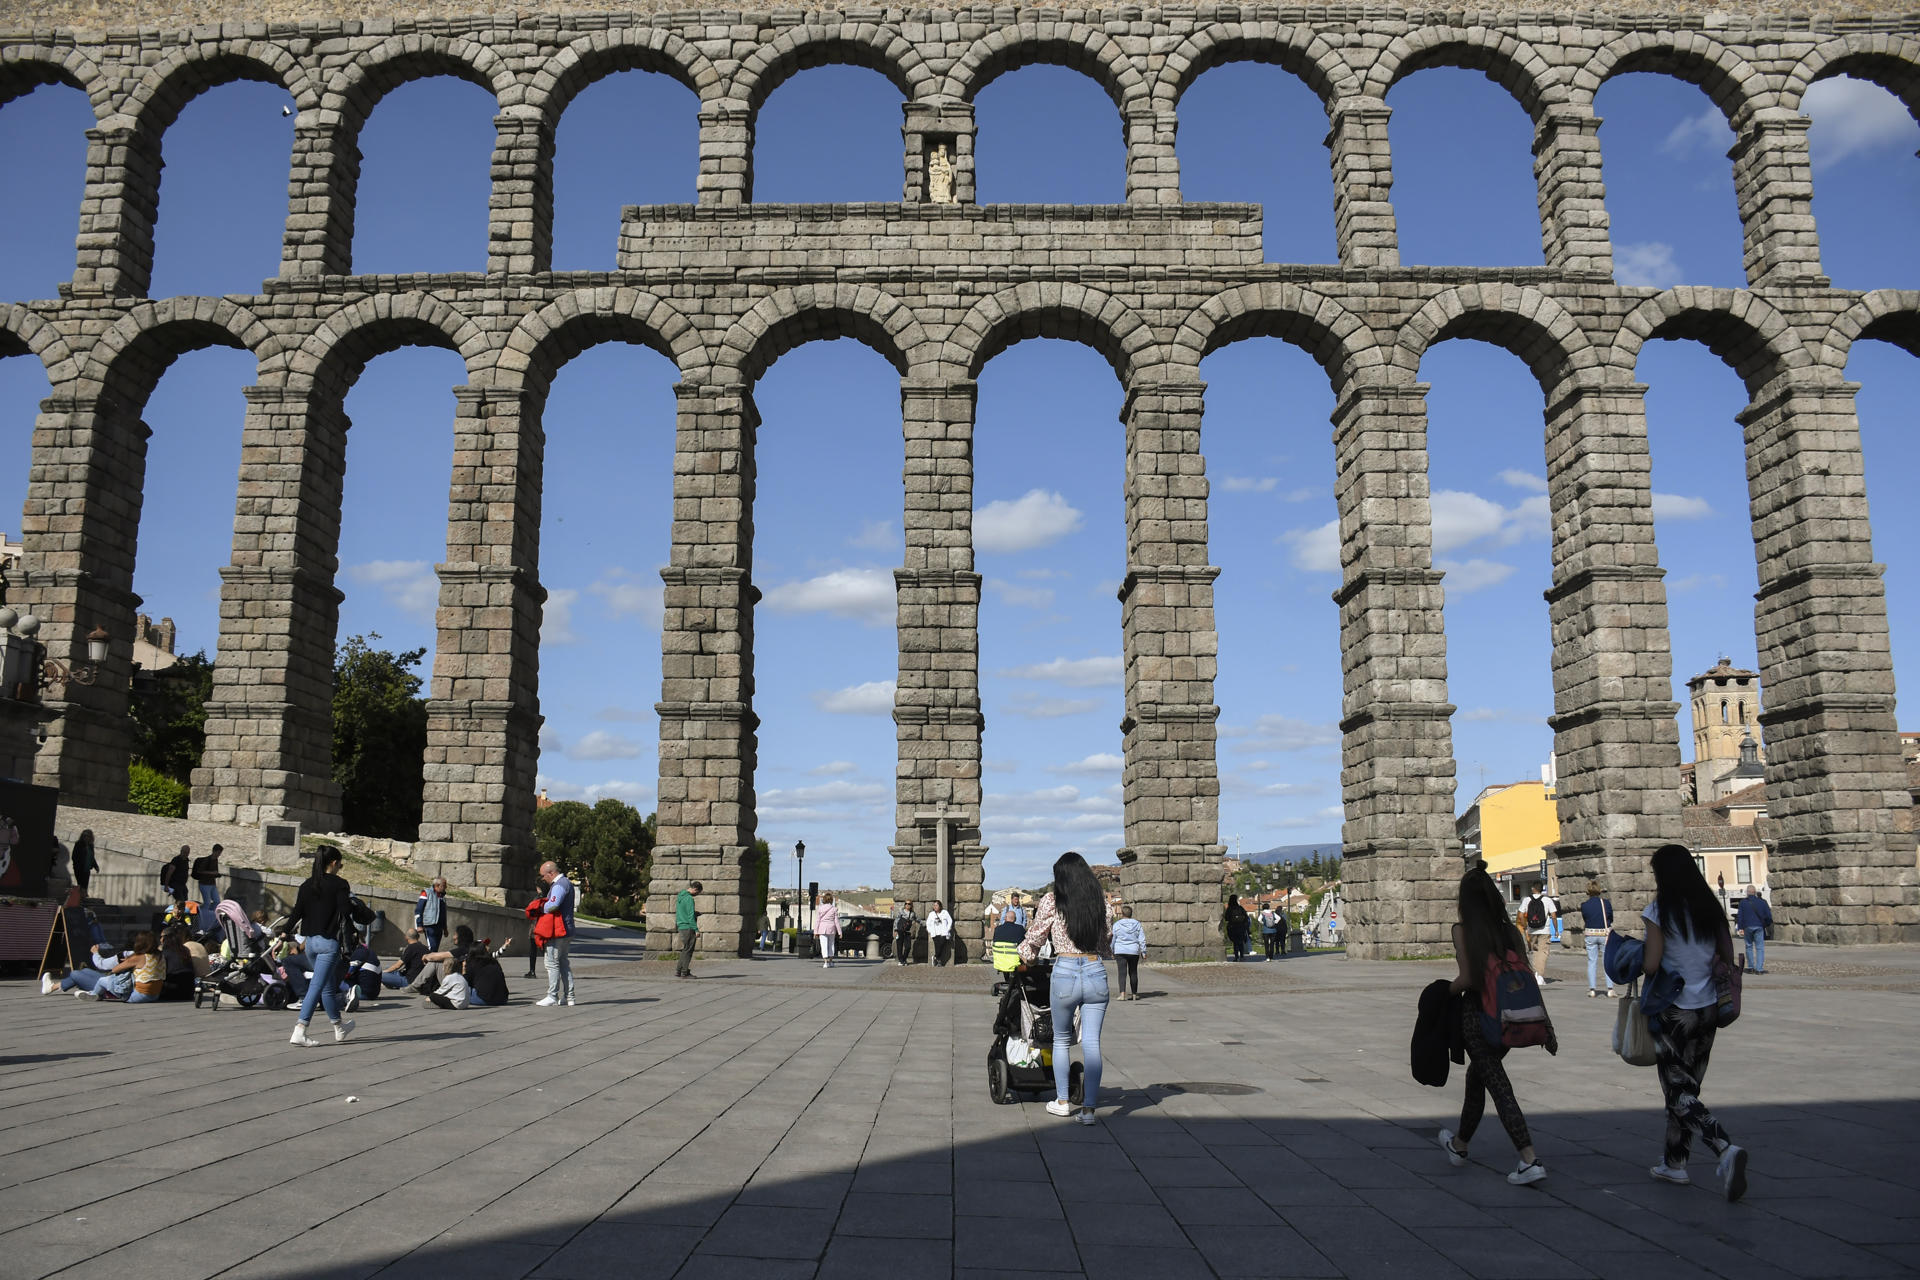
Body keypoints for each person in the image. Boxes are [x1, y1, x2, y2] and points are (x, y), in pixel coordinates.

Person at [1643, 843, 1748, 1201]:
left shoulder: (1658, 910)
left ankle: (1724, 1147)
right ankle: (1675, 1163)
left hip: (1674, 1011)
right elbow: (1726, 955)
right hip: (1709, 1010)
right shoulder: (1710, 908)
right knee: (1688, 1088)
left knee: (1677, 1090)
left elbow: (1652, 964)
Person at [1438, 866, 1555, 1186]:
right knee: (1478, 1078)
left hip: (1478, 1017)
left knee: (1498, 1085)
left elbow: (1468, 978)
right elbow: (1526, 975)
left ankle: (1529, 1158)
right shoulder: (1509, 931)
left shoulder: (1462, 930)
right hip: (1509, 1016)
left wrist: (1440, 993)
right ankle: (1459, 1145)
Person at [1019, 852, 1112, 1125]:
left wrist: (1027, 954)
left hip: (1066, 971)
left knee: (1061, 1040)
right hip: (1095, 971)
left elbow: (1035, 935)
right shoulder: (1100, 903)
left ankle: (1062, 1102)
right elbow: (1107, 940)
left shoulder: (1052, 901)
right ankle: (1089, 1111)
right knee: (1092, 1042)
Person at [281, 847, 356, 1046]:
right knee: (317, 986)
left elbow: (296, 912)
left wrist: (283, 932)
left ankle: (339, 1027)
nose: (341, 867)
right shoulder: (340, 885)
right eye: (340, 864)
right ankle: (300, 1028)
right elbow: (346, 911)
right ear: (333, 863)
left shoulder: (307, 885)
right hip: (328, 944)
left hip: (311, 944)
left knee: (327, 986)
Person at [44, 931, 163, 1002]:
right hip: (153, 994)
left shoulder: (134, 956)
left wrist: (96, 953)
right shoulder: (160, 956)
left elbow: (110, 968)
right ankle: (52, 987)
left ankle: (94, 994)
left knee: (76, 974)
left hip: (130, 992)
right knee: (84, 971)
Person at [535, 860, 577, 1007]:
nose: (542, 879)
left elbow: (553, 905)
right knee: (563, 963)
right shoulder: (567, 883)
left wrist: (540, 907)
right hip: (568, 929)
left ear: (551, 873)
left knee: (551, 963)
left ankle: (552, 995)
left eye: (543, 875)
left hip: (558, 931)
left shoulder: (559, 885)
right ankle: (569, 996)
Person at [1580, 881, 1616, 998]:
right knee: (1607, 961)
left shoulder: (1584, 905)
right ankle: (1610, 989)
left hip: (1590, 934)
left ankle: (1592, 990)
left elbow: (1585, 918)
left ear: (1588, 891)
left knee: (1592, 961)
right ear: (1599, 890)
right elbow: (1611, 917)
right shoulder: (1606, 903)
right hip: (1604, 934)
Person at [1734, 885, 1772, 974]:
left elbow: (1740, 916)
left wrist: (1740, 928)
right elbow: (1769, 916)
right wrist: (1765, 924)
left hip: (1747, 927)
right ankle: (1759, 969)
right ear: (1755, 892)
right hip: (1759, 927)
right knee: (1760, 948)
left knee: (1749, 946)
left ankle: (1751, 967)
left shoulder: (1743, 903)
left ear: (1747, 892)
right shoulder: (1762, 902)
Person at [1111, 904, 1145, 1000]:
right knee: (1133, 972)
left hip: (1120, 950)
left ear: (1122, 914)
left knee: (1122, 973)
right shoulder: (1137, 924)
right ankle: (1134, 994)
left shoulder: (1117, 924)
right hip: (1133, 951)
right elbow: (1141, 938)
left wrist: (1111, 950)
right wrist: (1143, 951)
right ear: (1131, 914)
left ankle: (1122, 994)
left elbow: (1113, 939)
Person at [1521, 883, 1553, 983]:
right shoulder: (1547, 900)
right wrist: (1556, 929)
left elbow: (1521, 915)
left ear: (1533, 888)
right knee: (1543, 952)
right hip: (1544, 929)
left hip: (1531, 929)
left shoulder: (1527, 900)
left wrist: (1525, 926)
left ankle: (1535, 973)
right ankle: (1539, 975)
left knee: (1534, 951)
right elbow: (1554, 915)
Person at [463, 942, 510, 1007]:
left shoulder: (472, 963)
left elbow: (466, 983)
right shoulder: (494, 962)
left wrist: (463, 970)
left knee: (464, 989)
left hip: (484, 1000)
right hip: (503, 999)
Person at [675, 881, 701, 979]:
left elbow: (683, 911)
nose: (696, 895)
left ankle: (678, 970)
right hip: (688, 927)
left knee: (685, 949)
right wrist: (696, 930)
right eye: (697, 893)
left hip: (681, 926)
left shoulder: (680, 896)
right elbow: (690, 917)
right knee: (688, 950)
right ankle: (685, 972)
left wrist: (695, 913)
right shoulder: (689, 899)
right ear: (695, 889)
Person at [414, 877, 449, 951]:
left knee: (435, 948)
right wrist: (419, 925)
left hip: (439, 927)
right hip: (429, 925)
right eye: (444, 885)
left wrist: (445, 928)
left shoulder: (442, 897)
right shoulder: (426, 893)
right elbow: (419, 909)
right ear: (437, 885)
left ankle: (430, 961)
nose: (446, 887)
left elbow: (443, 915)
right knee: (432, 947)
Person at [190, 844, 223, 918]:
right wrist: (212, 873)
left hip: (212, 884)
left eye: (220, 853)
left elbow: (215, 871)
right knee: (207, 902)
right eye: (218, 853)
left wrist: (216, 874)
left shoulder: (215, 860)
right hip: (204, 884)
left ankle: (212, 915)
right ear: (214, 851)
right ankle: (202, 916)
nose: (219, 855)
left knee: (217, 901)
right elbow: (200, 871)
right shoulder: (207, 860)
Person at [990, 908, 1026, 974]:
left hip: (999, 962)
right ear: (1015, 919)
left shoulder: (997, 929)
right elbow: (1025, 943)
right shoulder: (1020, 929)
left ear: (1005, 918)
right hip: (1014, 963)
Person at [815, 892, 842, 968]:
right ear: (831, 900)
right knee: (831, 945)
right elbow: (836, 921)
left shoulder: (820, 908)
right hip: (831, 929)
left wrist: (815, 932)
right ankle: (830, 962)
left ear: (824, 900)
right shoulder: (834, 909)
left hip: (822, 928)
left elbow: (817, 921)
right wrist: (840, 932)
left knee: (823, 945)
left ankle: (825, 962)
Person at [70, 829, 97, 899]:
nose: (86, 837)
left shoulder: (91, 846)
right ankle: (80, 898)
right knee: (81, 885)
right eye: (85, 836)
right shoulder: (78, 844)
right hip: (79, 868)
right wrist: (77, 865)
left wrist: (96, 866)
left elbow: (92, 857)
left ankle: (82, 898)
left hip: (87, 868)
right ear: (82, 836)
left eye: (88, 836)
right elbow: (74, 856)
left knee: (85, 885)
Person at [926, 900, 954, 966]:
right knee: (937, 947)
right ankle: (939, 961)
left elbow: (950, 920)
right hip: (935, 933)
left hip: (943, 933)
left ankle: (935, 957)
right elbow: (928, 923)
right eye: (934, 905)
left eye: (936, 905)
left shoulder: (945, 912)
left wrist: (948, 929)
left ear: (940, 906)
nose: (935, 907)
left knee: (941, 945)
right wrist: (930, 930)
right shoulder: (931, 914)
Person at [1224, 896, 1250, 961]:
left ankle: (1236, 957)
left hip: (1232, 927)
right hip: (1241, 927)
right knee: (1241, 942)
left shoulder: (1229, 908)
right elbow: (1246, 917)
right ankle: (1242, 956)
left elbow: (1226, 918)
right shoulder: (1240, 908)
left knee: (1235, 943)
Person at [891, 899, 917, 964]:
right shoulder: (901, 912)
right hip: (899, 930)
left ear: (911, 905)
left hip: (907, 931)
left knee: (908, 947)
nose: (907, 905)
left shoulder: (913, 914)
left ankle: (904, 959)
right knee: (899, 946)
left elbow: (917, 920)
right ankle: (901, 961)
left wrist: (925, 924)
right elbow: (896, 920)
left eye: (909, 904)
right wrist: (895, 930)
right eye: (906, 904)